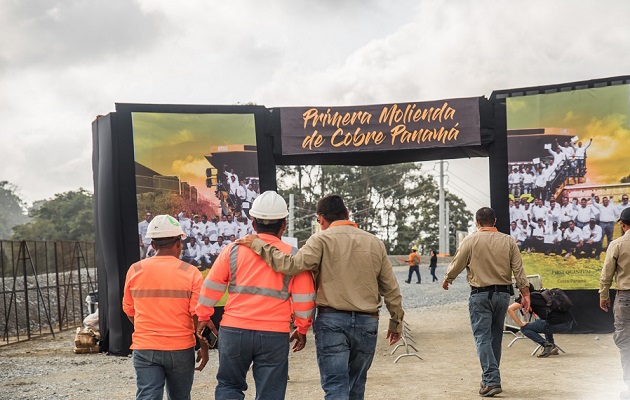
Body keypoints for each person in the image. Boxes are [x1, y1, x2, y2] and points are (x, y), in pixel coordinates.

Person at [236, 194, 404, 399]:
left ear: (321, 219)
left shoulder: (321, 239)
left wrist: (258, 244)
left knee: (335, 386)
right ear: (348, 214)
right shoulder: (375, 243)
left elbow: (291, 266)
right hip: (368, 322)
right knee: (357, 386)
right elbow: (391, 289)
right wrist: (396, 322)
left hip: (331, 321)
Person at [195, 191, 316, 400]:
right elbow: (305, 299)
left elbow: (211, 287)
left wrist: (204, 316)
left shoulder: (232, 250)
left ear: (253, 223)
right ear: (284, 224)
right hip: (273, 334)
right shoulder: (294, 256)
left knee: (229, 386)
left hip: (234, 331)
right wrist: (302, 327)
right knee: (270, 393)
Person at [442, 207, 530, 398]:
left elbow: (457, 263)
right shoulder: (508, 241)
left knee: (482, 337)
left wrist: (448, 278)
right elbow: (518, 269)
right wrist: (526, 293)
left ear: (477, 222)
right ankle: (488, 378)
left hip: (480, 295)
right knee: (495, 338)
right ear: (495, 221)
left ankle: (491, 380)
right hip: (503, 296)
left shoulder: (470, 240)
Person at [122, 214, 208, 400]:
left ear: (152, 245)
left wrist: (148, 330)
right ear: (179, 243)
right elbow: (197, 316)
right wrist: (201, 342)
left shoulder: (135, 270)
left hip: (145, 347)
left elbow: (129, 310)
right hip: (181, 348)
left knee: (147, 396)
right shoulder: (191, 273)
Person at [600, 207, 630, 399]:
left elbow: (607, 274)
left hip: (625, 298)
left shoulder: (618, 244)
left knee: (626, 342)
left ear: (622, 224)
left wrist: (604, 295)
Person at [507, 285, 573, 358]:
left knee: (525, 329)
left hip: (557, 324)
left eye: (520, 290)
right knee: (543, 322)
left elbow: (510, 309)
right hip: (569, 322)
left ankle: (547, 345)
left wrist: (521, 324)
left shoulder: (527, 297)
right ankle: (552, 347)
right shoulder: (541, 293)